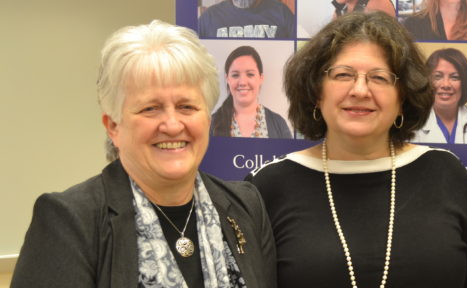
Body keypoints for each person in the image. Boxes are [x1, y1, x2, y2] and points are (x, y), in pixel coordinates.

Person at [11, 21, 277, 287]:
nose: (172, 125)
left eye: (186, 106)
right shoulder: (70, 222)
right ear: (113, 126)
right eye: (150, 108)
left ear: (207, 118)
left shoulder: (245, 205)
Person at [247, 12, 467, 287]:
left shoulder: (446, 174)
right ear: (316, 92)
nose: (360, 90)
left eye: (379, 78)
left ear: (403, 96)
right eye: (343, 75)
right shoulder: (268, 186)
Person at [412, 48, 467, 144]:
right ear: (427, 82)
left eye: (454, 77)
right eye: (438, 76)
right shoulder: (411, 123)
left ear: (465, 83)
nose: (446, 85)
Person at [211, 45, 292, 139]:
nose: (242, 82)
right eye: (235, 75)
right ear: (227, 79)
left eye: (250, 74)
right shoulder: (212, 124)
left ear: (261, 78)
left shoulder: (278, 123)